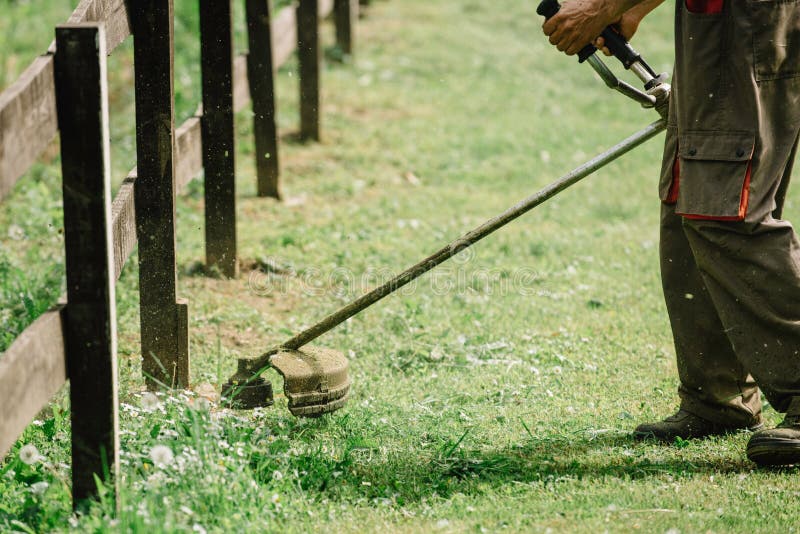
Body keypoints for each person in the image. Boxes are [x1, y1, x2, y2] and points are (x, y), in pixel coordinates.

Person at [543, 0, 800, 466]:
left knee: (726, 211)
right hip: (712, 20)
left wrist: (602, 6)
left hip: (747, 24)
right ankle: (717, 396)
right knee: (687, 200)